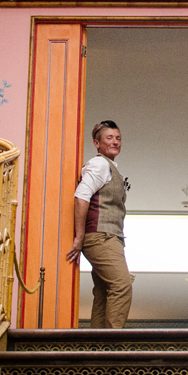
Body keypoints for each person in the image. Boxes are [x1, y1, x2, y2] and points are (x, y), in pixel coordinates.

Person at [65, 120, 132, 329]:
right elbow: (81, 196)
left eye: (118, 138)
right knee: (122, 286)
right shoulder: (100, 164)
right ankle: (110, 348)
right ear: (97, 143)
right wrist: (79, 237)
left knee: (103, 293)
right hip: (101, 236)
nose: (115, 142)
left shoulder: (111, 167)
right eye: (109, 138)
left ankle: (95, 347)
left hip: (108, 236)